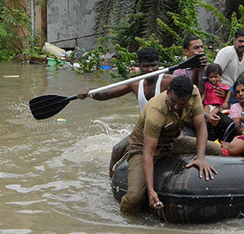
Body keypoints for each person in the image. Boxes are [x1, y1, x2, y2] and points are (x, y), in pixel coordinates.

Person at [120, 75, 219, 214]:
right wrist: (151, 191)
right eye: (173, 101)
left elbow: (201, 127)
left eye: (182, 104)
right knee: (134, 197)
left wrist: (200, 158)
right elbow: (148, 153)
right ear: (167, 92)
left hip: (171, 142)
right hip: (142, 148)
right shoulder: (156, 111)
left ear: (189, 98)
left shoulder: (194, 93)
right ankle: (124, 217)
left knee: (215, 149)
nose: (177, 107)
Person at [77, 48, 171, 177]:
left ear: (158, 65)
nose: (150, 70)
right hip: (145, 129)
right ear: (139, 67)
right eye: (146, 66)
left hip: (166, 127)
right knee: (117, 150)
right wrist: (90, 93)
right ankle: (111, 180)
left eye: (153, 66)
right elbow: (107, 94)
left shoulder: (168, 81)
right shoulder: (135, 84)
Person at [202, 63, 234, 141]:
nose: (213, 79)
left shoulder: (222, 85)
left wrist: (226, 102)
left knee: (213, 114)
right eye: (211, 77)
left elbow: (229, 91)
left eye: (216, 77)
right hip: (207, 103)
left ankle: (212, 121)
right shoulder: (207, 84)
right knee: (206, 114)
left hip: (217, 104)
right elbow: (204, 94)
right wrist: (200, 101)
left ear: (220, 76)